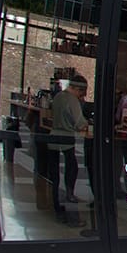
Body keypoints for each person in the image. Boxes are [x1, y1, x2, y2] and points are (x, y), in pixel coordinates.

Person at [48, 74, 90, 209]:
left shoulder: (58, 96)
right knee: (72, 166)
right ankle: (70, 193)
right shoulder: (72, 100)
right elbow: (79, 123)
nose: (82, 96)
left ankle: (53, 197)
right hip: (66, 135)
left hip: (53, 134)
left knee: (54, 170)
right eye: (82, 93)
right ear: (78, 89)